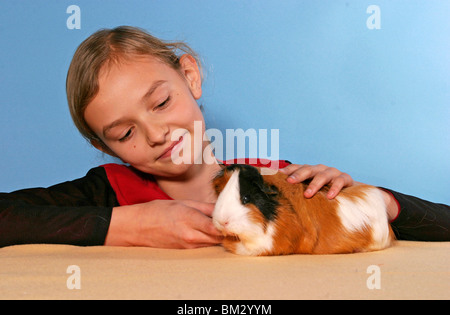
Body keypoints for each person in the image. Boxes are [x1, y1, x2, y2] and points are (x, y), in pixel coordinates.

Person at [0, 26, 448, 249]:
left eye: (160, 103)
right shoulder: (108, 193)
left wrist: (377, 202)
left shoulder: (275, 179)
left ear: (190, 77)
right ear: (105, 146)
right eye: (124, 133)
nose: (157, 134)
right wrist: (128, 225)